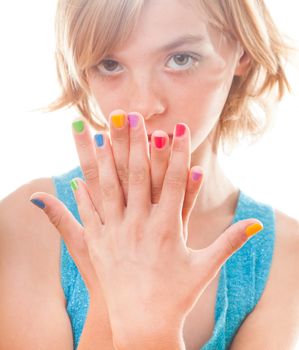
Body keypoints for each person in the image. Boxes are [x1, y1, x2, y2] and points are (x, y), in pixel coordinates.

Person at [1, 0, 299, 349]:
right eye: (110, 64)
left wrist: (150, 328)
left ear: (242, 51)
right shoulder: (29, 224)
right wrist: (109, 306)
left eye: (180, 59)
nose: (143, 106)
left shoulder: (283, 253)